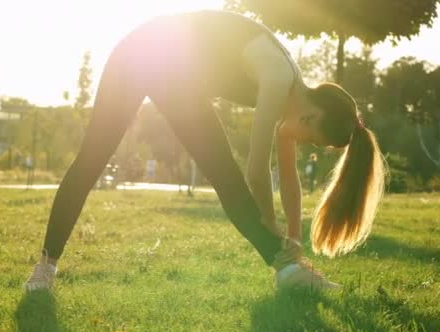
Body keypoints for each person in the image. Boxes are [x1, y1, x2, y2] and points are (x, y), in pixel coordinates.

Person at [24, 10, 385, 291]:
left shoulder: (294, 106)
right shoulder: (278, 78)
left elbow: (290, 182)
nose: (306, 144)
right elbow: (257, 171)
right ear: (313, 116)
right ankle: (46, 266)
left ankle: (290, 270)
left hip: (178, 77)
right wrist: (272, 226)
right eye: (315, 141)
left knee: (222, 172)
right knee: (92, 160)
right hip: (140, 54)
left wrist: (292, 238)